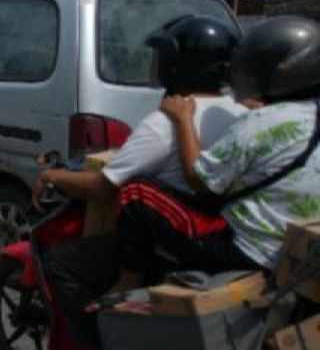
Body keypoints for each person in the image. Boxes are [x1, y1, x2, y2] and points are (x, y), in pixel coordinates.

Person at [36, 15, 245, 350]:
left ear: (179, 65)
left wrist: (51, 177)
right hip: (225, 232)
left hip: (173, 240)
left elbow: (101, 187)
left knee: (61, 261)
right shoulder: (240, 112)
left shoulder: (168, 120)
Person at [108, 15, 320, 294]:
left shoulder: (259, 122)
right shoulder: (306, 113)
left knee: (136, 193)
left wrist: (184, 118)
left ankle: (124, 286)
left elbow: (199, 179)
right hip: (294, 248)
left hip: (247, 252)